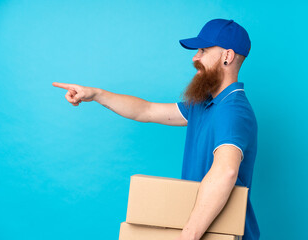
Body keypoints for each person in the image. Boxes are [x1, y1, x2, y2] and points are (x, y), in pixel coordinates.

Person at [53, 18, 260, 240]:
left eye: (203, 50)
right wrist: (95, 94)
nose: (195, 57)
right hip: (204, 229)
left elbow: (225, 172)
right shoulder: (204, 105)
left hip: (217, 232)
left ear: (227, 56)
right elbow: (147, 110)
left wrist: (188, 235)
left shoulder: (233, 110)